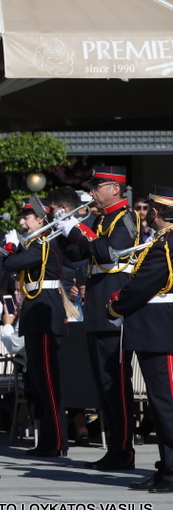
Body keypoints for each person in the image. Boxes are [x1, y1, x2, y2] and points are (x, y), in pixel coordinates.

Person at [56, 165, 139, 471]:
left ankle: (124, 451)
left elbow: (107, 252)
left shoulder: (127, 217)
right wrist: (63, 233)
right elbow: (76, 256)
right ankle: (115, 448)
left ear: (115, 189)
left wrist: (77, 231)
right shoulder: (101, 218)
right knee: (104, 385)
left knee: (117, 385)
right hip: (96, 310)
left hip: (113, 310)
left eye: (97, 186)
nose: (91, 192)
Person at [108, 185, 173, 493]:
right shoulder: (162, 241)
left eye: (148, 209)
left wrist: (115, 306)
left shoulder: (165, 245)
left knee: (166, 404)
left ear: (156, 211)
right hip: (155, 331)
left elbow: (144, 284)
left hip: (161, 331)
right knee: (160, 406)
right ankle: (167, 468)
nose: (144, 213)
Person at [3, 198, 68, 456]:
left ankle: (56, 441)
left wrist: (10, 247)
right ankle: (47, 440)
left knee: (48, 381)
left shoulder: (45, 244)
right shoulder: (35, 244)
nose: (22, 222)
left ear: (41, 220)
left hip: (44, 314)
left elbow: (11, 264)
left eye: (26, 218)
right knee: (38, 381)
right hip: (35, 313)